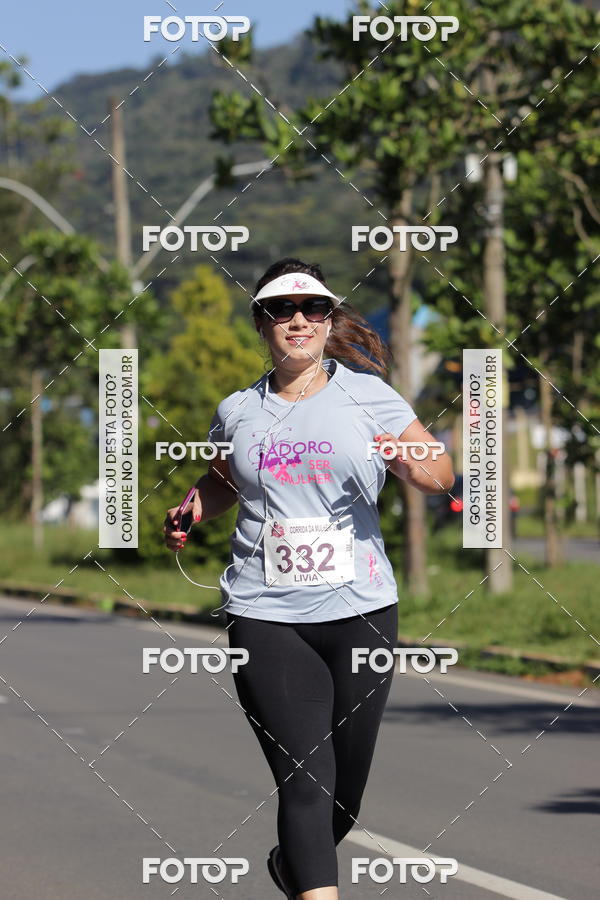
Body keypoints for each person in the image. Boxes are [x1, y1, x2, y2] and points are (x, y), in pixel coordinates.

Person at [164, 258, 455, 899]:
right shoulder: (238, 409)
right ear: (261, 323)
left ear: (328, 321)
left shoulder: (369, 395)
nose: (299, 319)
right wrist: (192, 506)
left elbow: (439, 472)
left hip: (362, 610)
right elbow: (221, 484)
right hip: (264, 612)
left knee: (342, 801)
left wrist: (409, 459)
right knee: (305, 778)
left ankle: (292, 865)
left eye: (313, 308)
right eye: (282, 310)